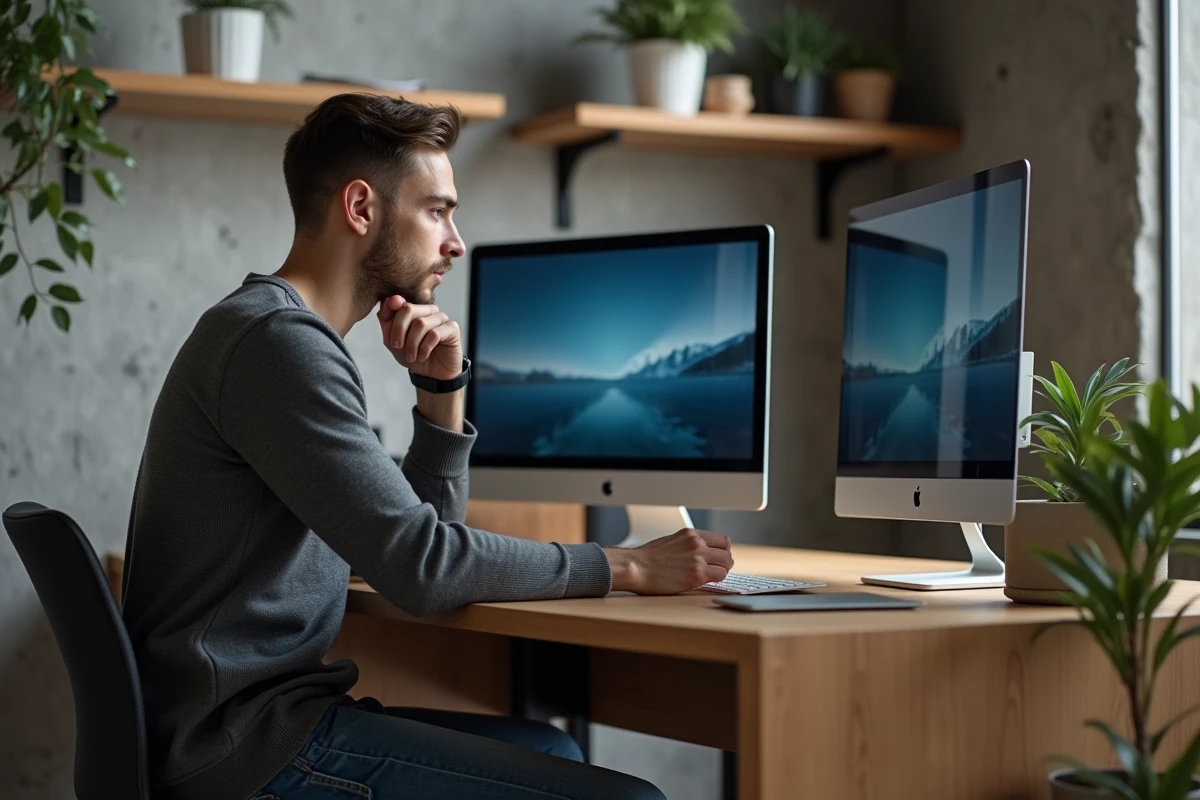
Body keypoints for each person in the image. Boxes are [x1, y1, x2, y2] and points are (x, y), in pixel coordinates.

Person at [119, 92, 736, 800]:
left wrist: (439, 397)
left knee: (553, 746)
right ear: (361, 209)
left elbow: (417, 546)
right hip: (248, 748)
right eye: (438, 210)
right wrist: (628, 566)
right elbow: (423, 570)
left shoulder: (273, 334)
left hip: (256, 724)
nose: (456, 242)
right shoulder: (278, 345)